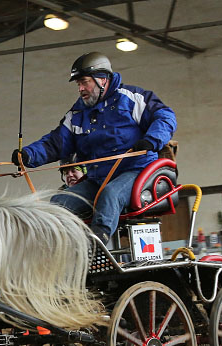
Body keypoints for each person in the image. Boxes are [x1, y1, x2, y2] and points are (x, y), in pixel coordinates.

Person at [12, 52, 177, 244]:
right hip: (98, 179)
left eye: (84, 82)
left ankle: (95, 245)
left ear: (102, 79)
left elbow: (166, 117)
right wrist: (28, 155)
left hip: (136, 172)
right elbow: (56, 142)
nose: (80, 89)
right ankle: (65, 248)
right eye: (78, 84)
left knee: (110, 195)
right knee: (59, 203)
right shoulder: (77, 113)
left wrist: (151, 139)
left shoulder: (131, 99)